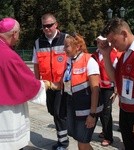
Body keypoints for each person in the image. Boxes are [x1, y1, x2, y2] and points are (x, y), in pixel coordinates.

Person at [101, 17, 134, 150]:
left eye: (113, 41)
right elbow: (115, 79)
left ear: (124, 34)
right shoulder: (124, 55)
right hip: (126, 112)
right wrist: (106, 55)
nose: (112, 45)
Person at [0, 17, 49, 150]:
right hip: (6, 110)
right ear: (14, 34)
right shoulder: (8, 55)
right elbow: (25, 81)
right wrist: (44, 85)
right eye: (19, 33)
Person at [32, 12, 69, 150]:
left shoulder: (66, 39)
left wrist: (67, 82)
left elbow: (73, 60)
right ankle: (63, 133)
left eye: (49, 25)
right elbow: (36, 64)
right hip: (48, 86)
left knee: (59, 113)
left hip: (62, 85)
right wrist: (37, 84)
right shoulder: (38, 42)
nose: (47, 28)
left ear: (56, 25)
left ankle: (63, 142)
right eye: (44, 26)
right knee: (53, 112)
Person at [62, 33, 103, 150]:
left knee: (83, 142)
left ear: (78, 47)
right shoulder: (69, 61)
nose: (64, 49)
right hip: (74, 107)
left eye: (67, 46)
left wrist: (92, 114)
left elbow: (95, 90)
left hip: (87, 110)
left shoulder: (89, 60)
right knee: (80, 140)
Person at [92, 35, 118, 146]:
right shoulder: (95, 55)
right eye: (99, 42)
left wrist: (116, 89)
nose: (101, 44)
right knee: (100, 111)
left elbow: (117, 72)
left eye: (103, 42)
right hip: (97, 87)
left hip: (108, 88)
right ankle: (104, 130)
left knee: (106, 113)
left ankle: (108, 137)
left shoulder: (113, 54)